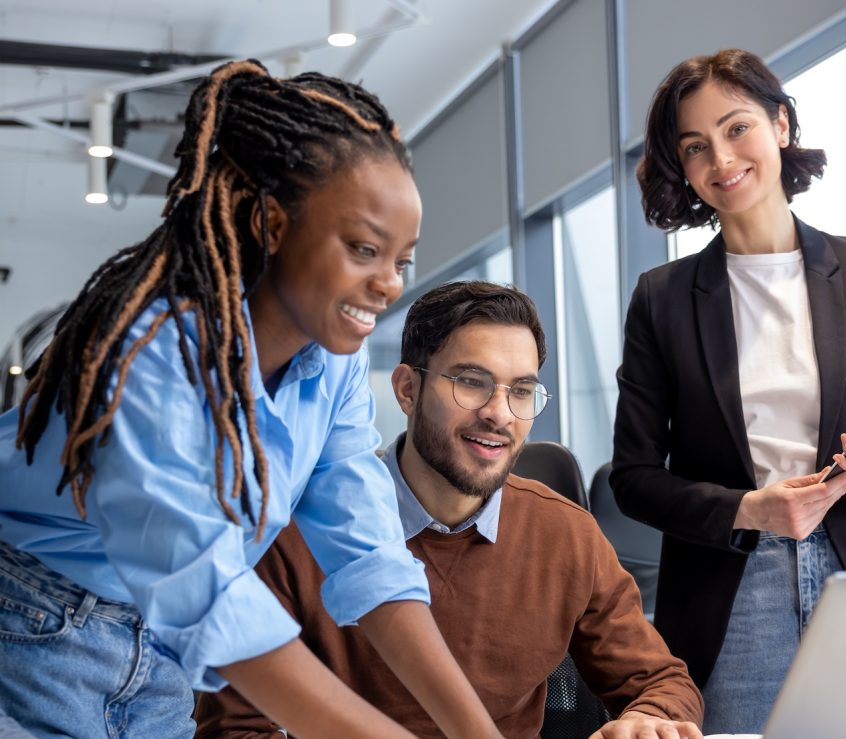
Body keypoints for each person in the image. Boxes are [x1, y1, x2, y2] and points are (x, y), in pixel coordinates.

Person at [0, 60, 502, 739]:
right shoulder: (153, 354)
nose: (388, 283)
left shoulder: (333, 368)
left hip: (163, 656)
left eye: (400, 261)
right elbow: (204, 590)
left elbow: (372, 560)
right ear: (271, 222)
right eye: (363, 248)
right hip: (28, 626)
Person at [611, 48, 846, 734]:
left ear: (780, 125)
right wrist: (751, 508)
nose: (721, 158)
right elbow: (631, 478)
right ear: (683, 169)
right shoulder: (661, 300)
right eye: (695, 146)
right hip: (732, 590)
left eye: (736, 127)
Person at [193, 280, 706, 739]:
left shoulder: (565, 533)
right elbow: (233, 728)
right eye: (471, 381)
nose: (499, 414)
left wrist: (649, 720)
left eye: (521, 391)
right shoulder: (299, 531)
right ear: (407, 390)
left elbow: (661, 681)